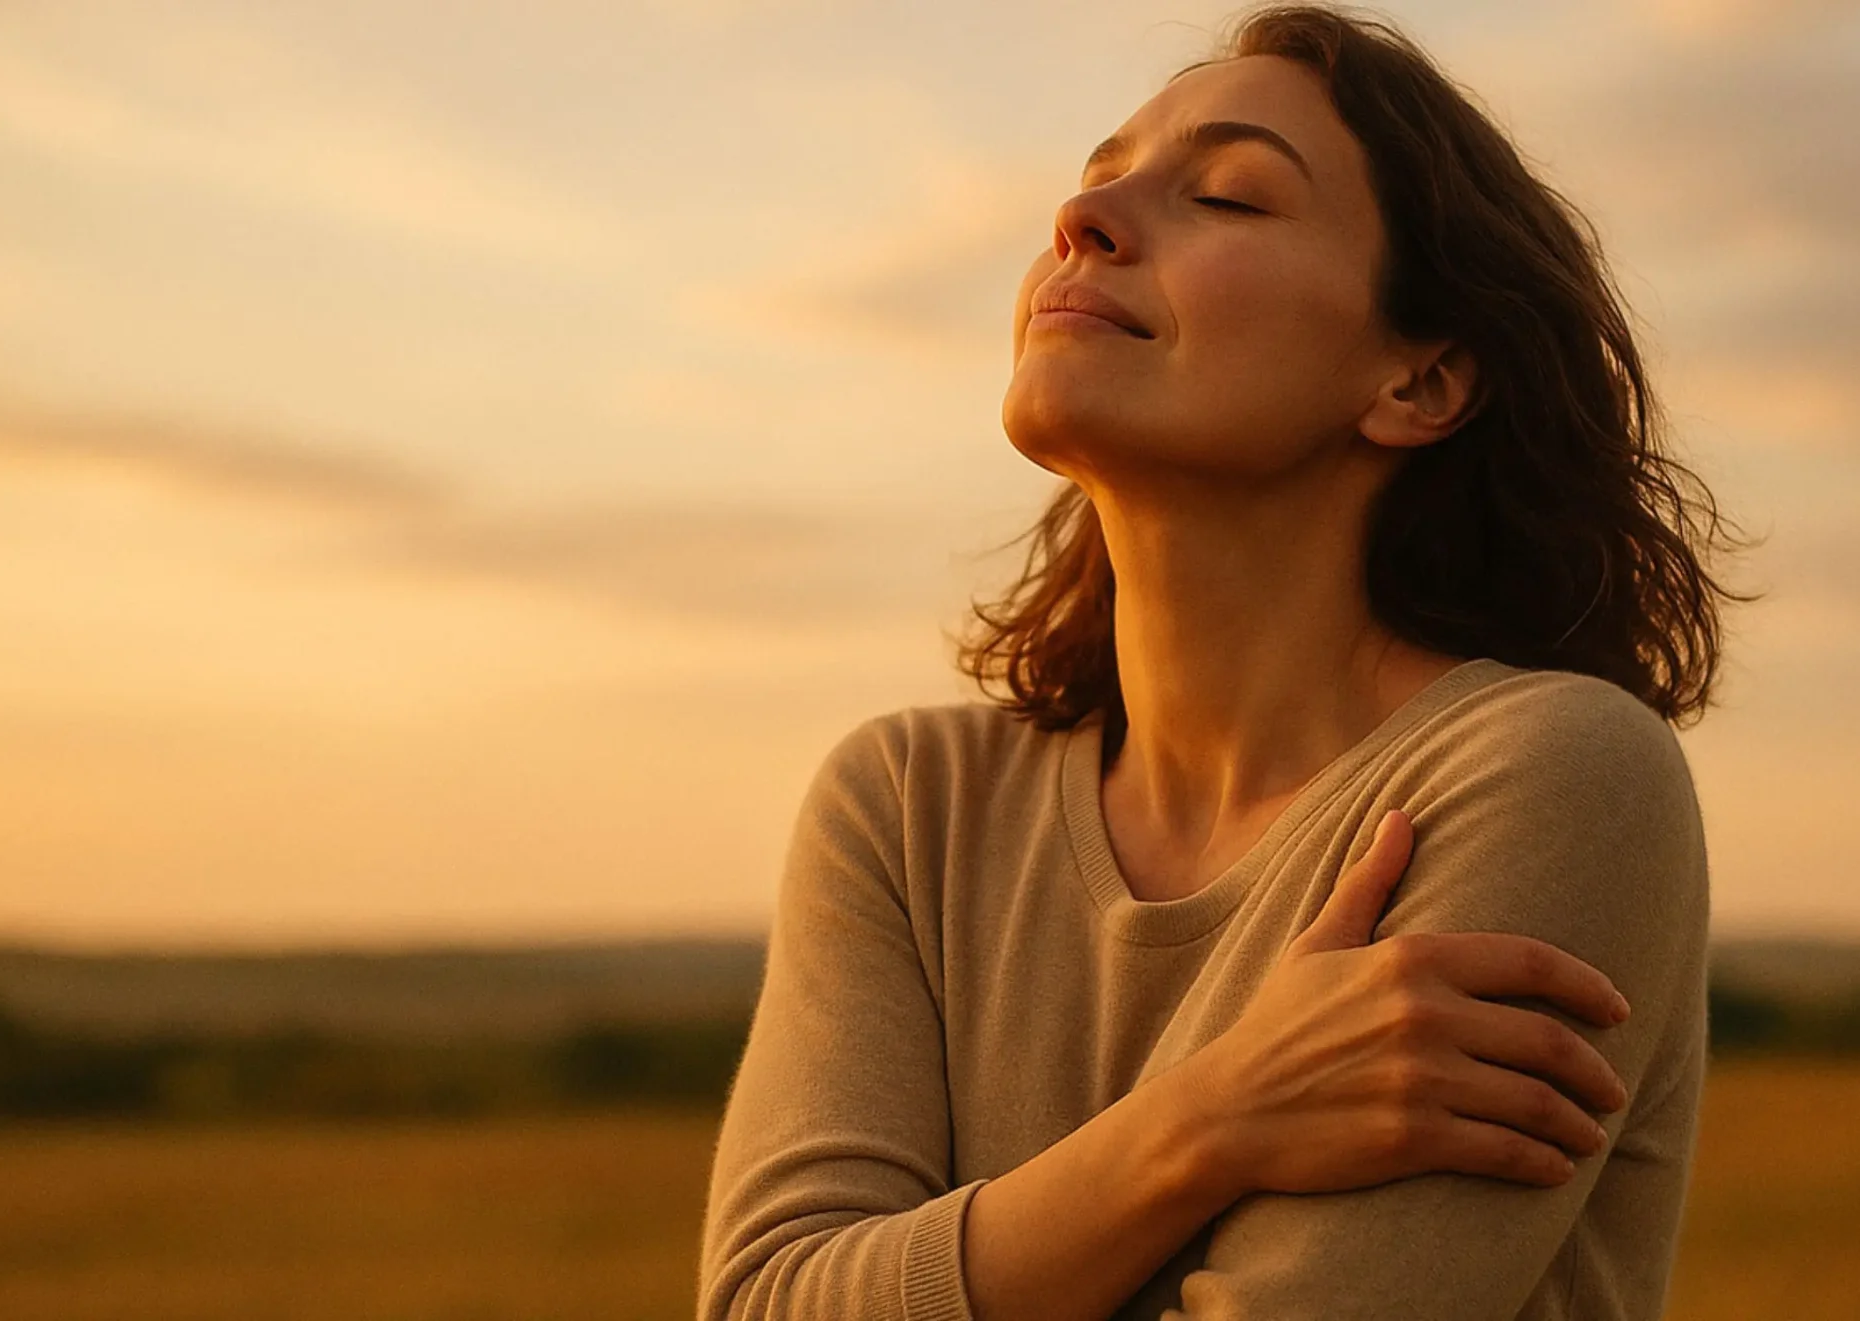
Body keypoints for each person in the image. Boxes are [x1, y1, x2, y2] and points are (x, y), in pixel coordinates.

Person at [699, 5, 1753, 1318]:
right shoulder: (910, 808)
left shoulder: (1553, 775)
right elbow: (765, 1300)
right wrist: (1207, 1119)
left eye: (1229, 195)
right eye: (1097, 179)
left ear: (1418, 381)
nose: (1083, 221)